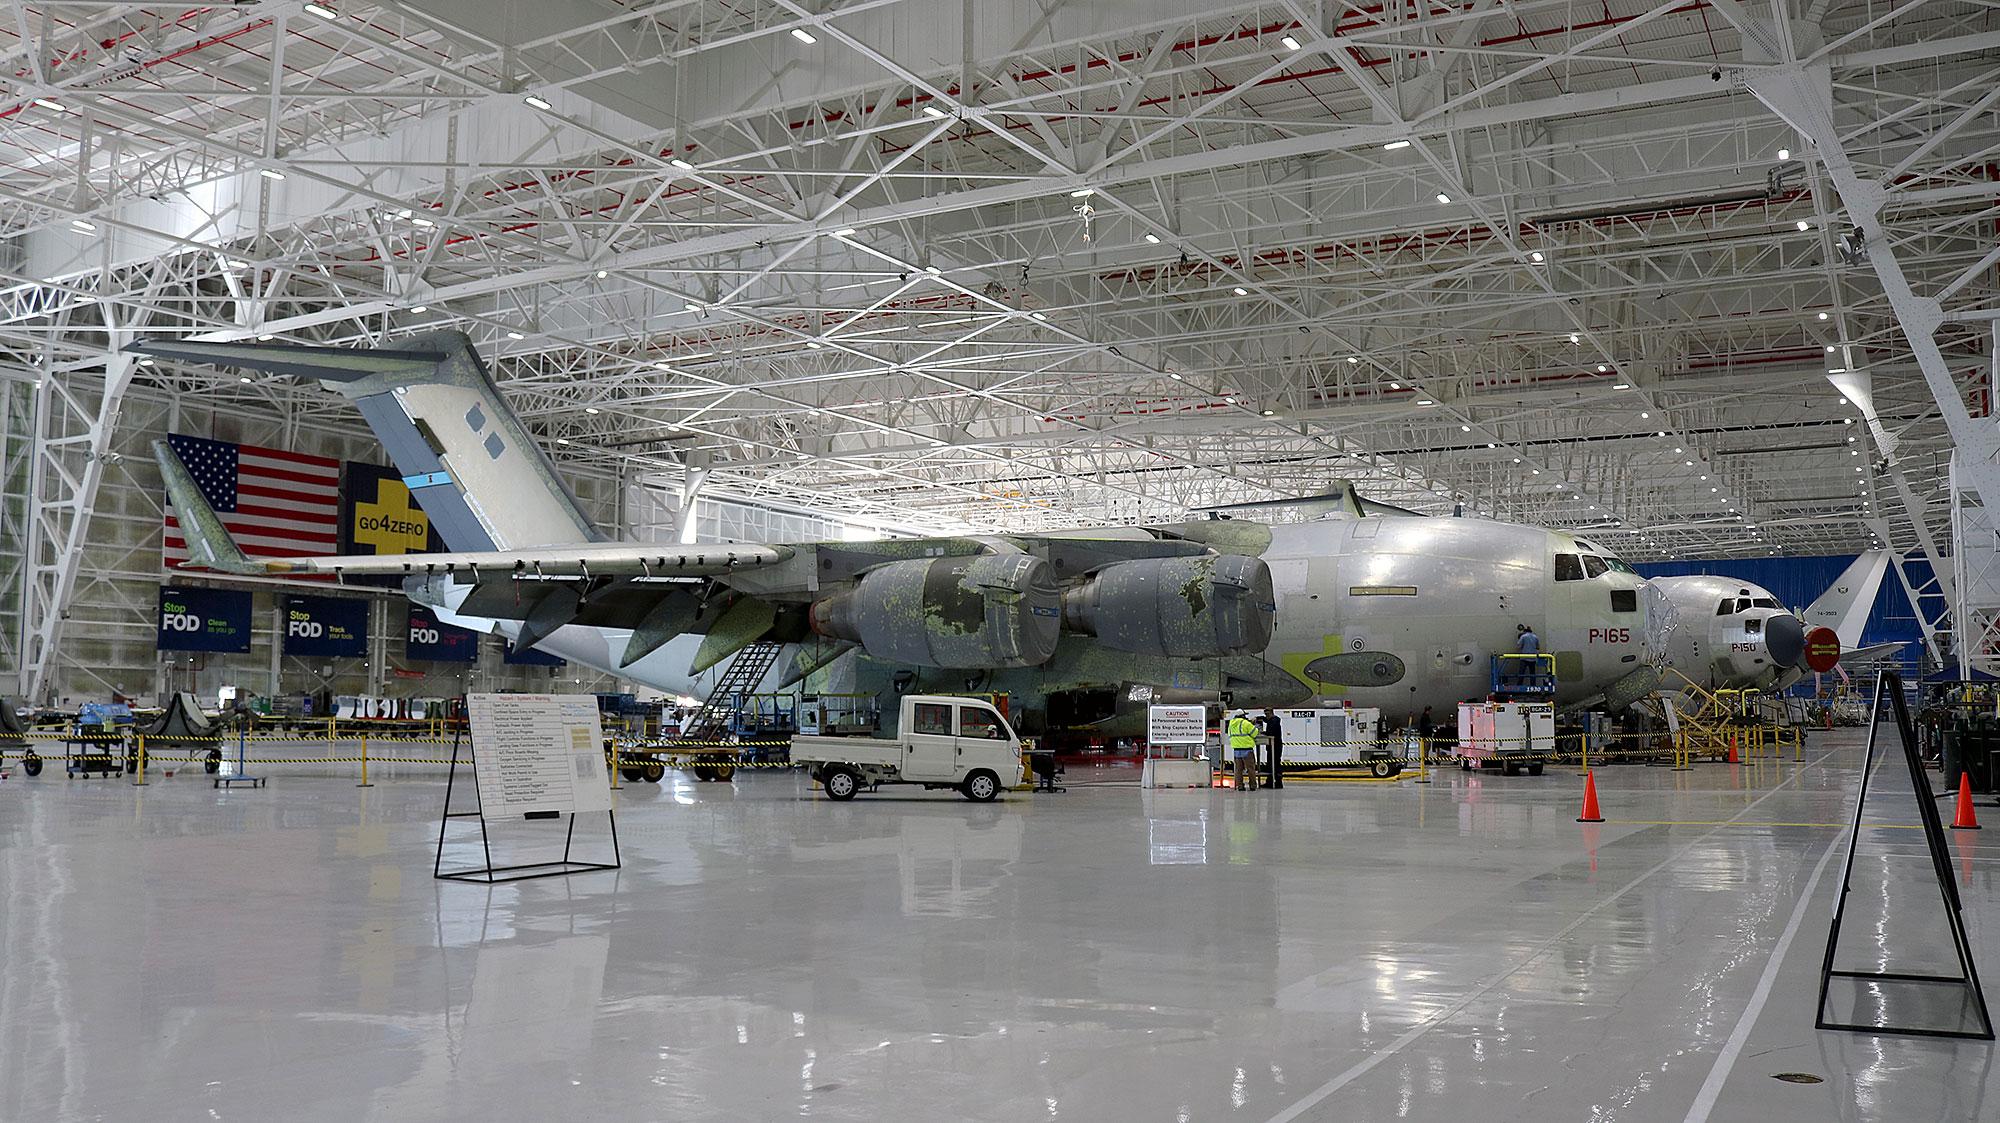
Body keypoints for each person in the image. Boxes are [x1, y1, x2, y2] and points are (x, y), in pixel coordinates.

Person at [1227, 710, 1260, 791]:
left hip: (1236, 750)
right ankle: (1252, 785)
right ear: (1242, 716)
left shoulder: (1231, 724)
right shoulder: (1245, 723)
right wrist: (1253, 724)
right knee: (1250, 769)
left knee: (1238, 770)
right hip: (1247, 750)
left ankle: (1240, 786)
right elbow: (1255, 733)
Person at [1258, 708, 1284, 789]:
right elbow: (1265, 719)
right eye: (1265, 714)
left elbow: (1271, 732)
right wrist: (1259, 718)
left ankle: (1278, 782)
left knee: (1275, 764)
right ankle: (1270, 781)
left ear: (1272, 713)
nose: (1266, 716)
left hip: (1276, 746)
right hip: (1271, 746)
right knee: (1270, 764)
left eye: (1268, 714)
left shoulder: (1274, 721)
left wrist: (1263, 733)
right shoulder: (1272, 720)